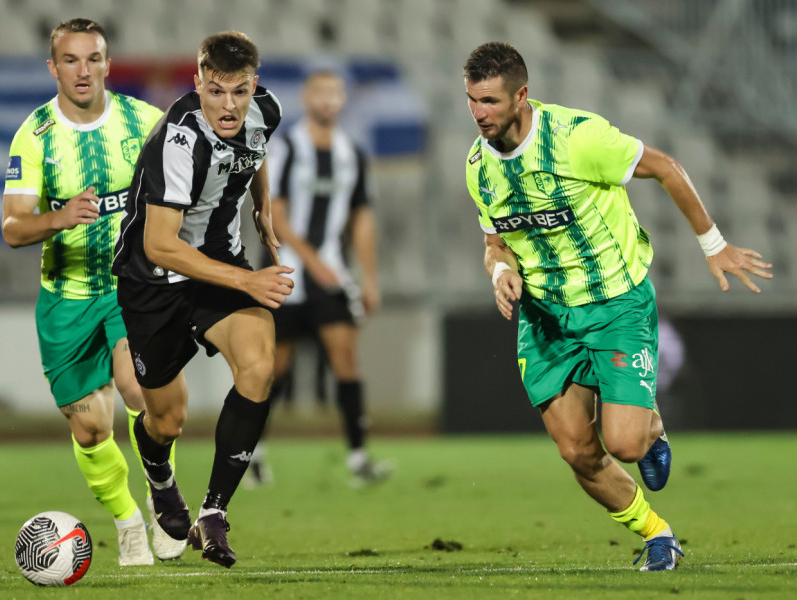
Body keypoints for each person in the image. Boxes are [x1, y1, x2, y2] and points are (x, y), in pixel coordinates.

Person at [463, 42, 772, 571]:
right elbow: (496, 241)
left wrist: (714, 244)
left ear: (521, 96)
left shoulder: (578, 139)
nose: (478, 113)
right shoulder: (479, 167)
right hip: (546, 319)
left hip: (615, 304)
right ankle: (657, 535)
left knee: (625, 444)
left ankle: (650, 428)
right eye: (472, 100)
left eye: (489, 100)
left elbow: (667, 167)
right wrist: (499, 270)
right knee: (576, 451)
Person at [1, 18, 186, 565]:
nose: (83, 71)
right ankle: (127, 522)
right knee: (89, 428)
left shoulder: (144, 121)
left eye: (93, 59)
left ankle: (161, 496)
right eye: (71, 60)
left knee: (139, 390)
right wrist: (58, 218)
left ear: (107, 64)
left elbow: (187, 186)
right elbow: (12, 226)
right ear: (53, 68)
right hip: (66, 296)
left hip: (131, 287)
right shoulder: (35, 135)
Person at [111, 31, 292, 569]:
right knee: (167, 421)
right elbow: (160, 244)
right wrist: (249, 282)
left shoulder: (266, 111)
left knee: (258, 364)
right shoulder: (178, 140)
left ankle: (213, 513)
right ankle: (159, 476)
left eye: (239, 91)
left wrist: (261, 205)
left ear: (254, 85)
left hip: (217, 263)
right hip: (153, 280)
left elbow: (255, 152)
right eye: (215, 91)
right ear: (197, 84)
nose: (228, 106)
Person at [249, 70, 391, 488]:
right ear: (307, 98)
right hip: (286, 272)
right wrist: (312, 261)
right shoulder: (288, 147)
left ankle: (358, 460)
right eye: (320, 93)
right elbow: (273, 211)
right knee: (274, 368)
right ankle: (252, 455)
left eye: (334, 93)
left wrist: (369, 278)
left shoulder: (352, 154)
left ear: (343, 100)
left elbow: (361, 218)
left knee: (346, 358)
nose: (328, 100)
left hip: (330, 273)